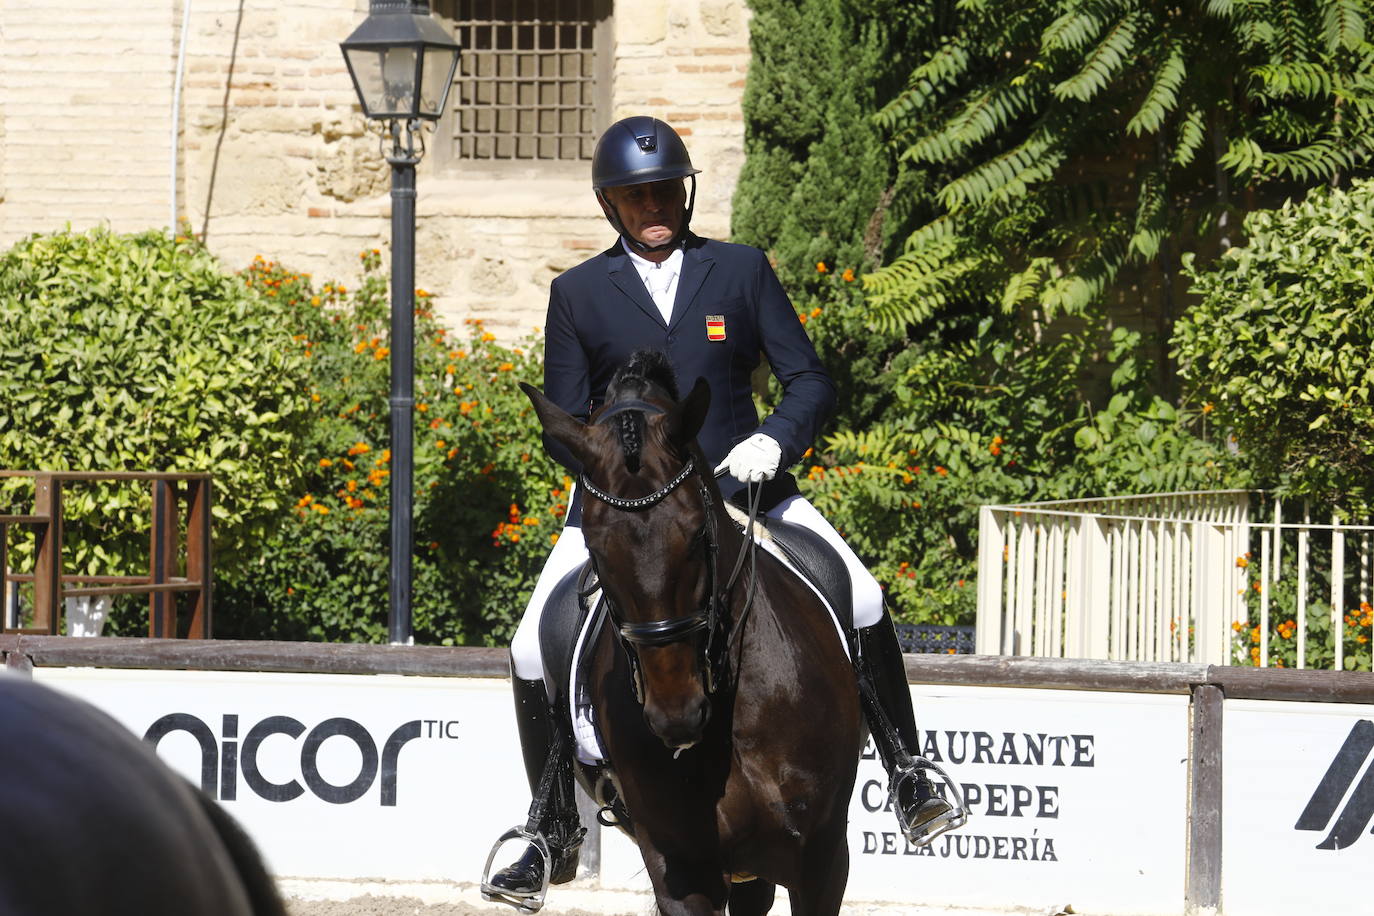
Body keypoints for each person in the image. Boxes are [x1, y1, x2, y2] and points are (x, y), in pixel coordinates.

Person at [486, 116, 963, 899]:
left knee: (865, 593)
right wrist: (613, 474)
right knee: (534, 640)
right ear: (611, 204)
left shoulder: (739, 271)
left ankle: (911, 775)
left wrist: (775, 440)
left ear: (686, 189)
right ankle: (549, 825)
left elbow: (808, 378)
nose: (655, 205)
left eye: (667, 189)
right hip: (628, 509)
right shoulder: (576, 294)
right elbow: (565, 420)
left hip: (750, 494)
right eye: (637, 195)